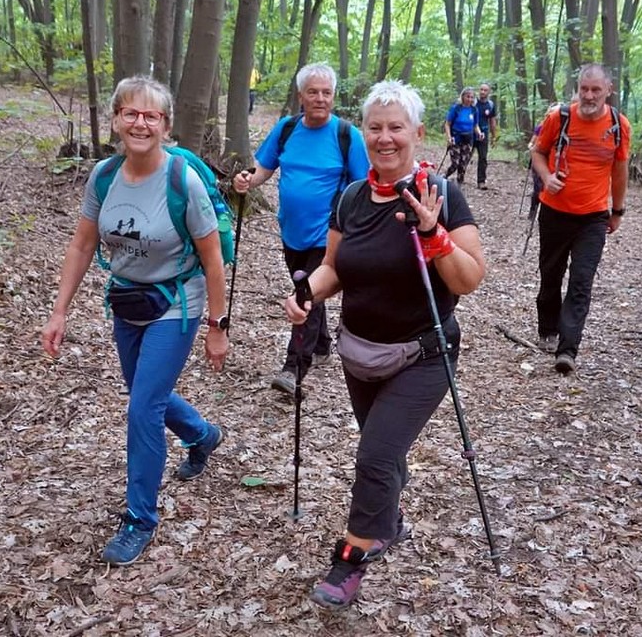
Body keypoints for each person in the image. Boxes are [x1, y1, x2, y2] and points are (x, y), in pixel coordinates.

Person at [284, 80, 485, 611]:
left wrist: (433, 234)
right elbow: (333, 269)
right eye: (375, 127)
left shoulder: (443, 195)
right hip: (361, 353)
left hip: (424, 354)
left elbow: (468, 279)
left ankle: (351, 557)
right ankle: (389, 522)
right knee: (385, 447)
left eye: (396, 127)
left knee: (374, 454)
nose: (385, 137)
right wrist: (307, 294)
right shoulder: (351, 198)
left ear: (418, 133)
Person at [41, 75, 228, 565]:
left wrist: (216, 326)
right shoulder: (104, 176)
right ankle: (203, 434)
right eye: (132, 113)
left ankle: (139, 519)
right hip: (127, 302)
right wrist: (59, 311)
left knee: (142, 407)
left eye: (152, 116)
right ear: (117, 120)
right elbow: (83, 245)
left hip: (177, 304)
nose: (141, 123)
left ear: (166, 126)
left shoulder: (181, 181)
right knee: (142, 391)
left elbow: (212, 260)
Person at [233, 62, 369, 396]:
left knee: (304, 294)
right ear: (301, 96)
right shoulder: (287, 129)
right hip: (291, 231)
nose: (320, 98)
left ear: (333, 96)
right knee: (309, 293)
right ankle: (321, 344)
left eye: (326, 93)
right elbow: (265, 168)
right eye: (313, 92)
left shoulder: (346, 135)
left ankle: (294, 367)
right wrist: (246, 181)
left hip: (327, 234)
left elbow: (363, 186)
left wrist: (353, 228)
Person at [529, 64, 630, 375]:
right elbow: (537, 152)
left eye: (595, 90)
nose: (589, 95)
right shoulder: (559, 117)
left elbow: (620, 168)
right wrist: (546, 178)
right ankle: (548, 328)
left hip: (594, 217)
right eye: (584, 89)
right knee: (551, 274)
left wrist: (617, 210)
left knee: (581, 281)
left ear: (608, 91)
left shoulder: (618, 125)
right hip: (555, 212)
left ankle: (567, 349)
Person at [442, 87, 481, 186]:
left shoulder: (474, 110)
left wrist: (479, 133)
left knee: (463, 163)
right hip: (456, 138)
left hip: (468, 139)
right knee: (455, 163)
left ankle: (459, 183)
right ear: (463, 96)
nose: (470, 99)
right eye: (468, 97)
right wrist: (449, 137)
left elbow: (475, 125)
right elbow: (447, 123)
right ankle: (444, 177)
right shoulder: (456, 108)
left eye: (472, 97)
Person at [473, 83, 499, 190]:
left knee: (483, 158)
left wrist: (494, 136)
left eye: (485, 90)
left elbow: (492, 121)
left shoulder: (491, 105)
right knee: (465, 156)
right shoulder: (473, 102)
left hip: (484, 134)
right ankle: (461, 176)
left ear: (489, 92)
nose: (482, 92)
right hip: (471, 133)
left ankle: (481, 181)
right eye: (481, 89)